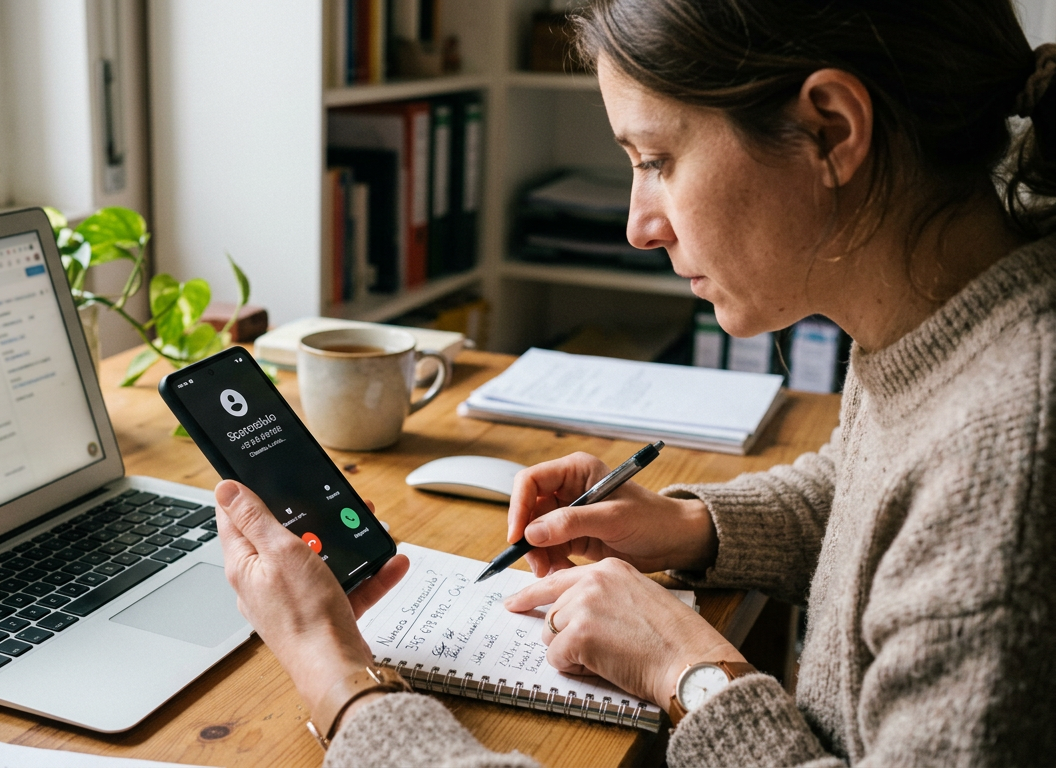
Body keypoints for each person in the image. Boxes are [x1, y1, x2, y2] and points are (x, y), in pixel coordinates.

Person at [214, 0, 1056, 764]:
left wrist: (341, 682)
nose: (638, 225)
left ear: (832, 131)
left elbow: (958, 507)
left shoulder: (1011, 452)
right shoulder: (951, 310)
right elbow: (872, 496)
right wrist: (689, 527)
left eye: (656, 159)